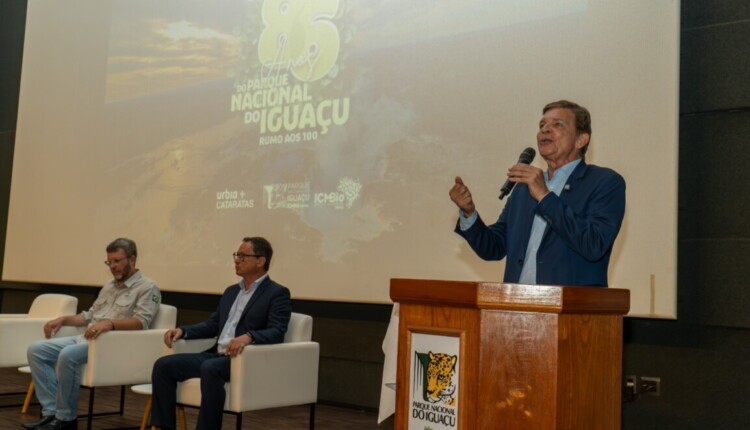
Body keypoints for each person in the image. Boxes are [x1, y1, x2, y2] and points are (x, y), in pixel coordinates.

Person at [449, 100, 626, 287]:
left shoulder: (604, 182)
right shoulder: (524, 188)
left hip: (571, 303)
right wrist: (469, 213)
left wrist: (544, 196)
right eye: (542, 125)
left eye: (557, 124)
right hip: (517, 301)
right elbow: (494, 247)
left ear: (580, 140)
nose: (545, 129)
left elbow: (594, 244)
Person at [150, 236, 292, 430]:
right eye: (236, 255)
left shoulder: (276, 293)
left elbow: (277, 331)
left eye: (243, 256)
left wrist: (250, 336)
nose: (237, 260)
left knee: (210, 368)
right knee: (164, 365)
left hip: (242, 359)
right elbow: (213, 325)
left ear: (260, 261)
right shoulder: (231, 291)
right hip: (216, 355)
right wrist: (183, 331)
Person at [24, 238, 161, 430]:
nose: (112, 266)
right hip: (86, 339)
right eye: (109, 262)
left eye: (117, 261)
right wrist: (63, 319)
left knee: (68, 355)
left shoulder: (148, 287)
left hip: (112, 345)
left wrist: (109, 323)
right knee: (36, 350)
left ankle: (66, 419)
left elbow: (141, 322)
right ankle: (51, 413)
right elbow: (89, 316)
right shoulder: (109, 286)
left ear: (132, 259)